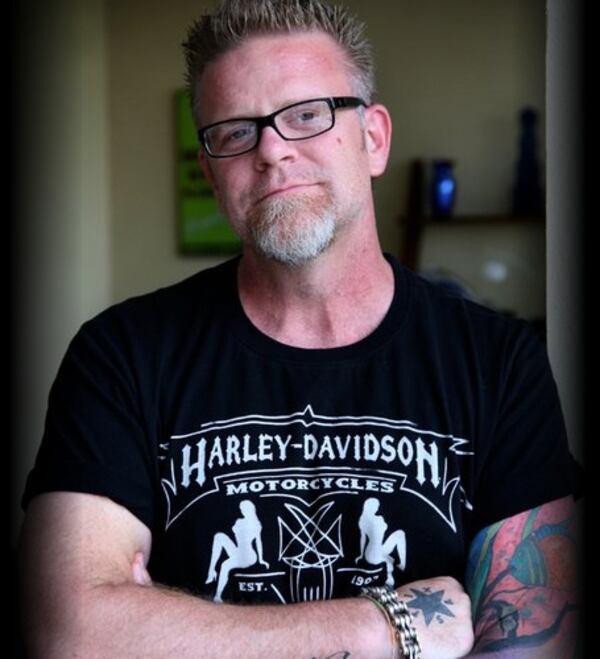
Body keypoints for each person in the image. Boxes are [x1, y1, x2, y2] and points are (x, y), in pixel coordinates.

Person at [18, 0, 582, 657]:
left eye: (308, 115)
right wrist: (385, 625)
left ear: (374, 139)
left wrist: (164, 627)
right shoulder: (120, 356)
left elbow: (535, 637)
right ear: (212, 173)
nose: (271, 150)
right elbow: (72, 634)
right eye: (235, 131)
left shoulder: (498, 363)